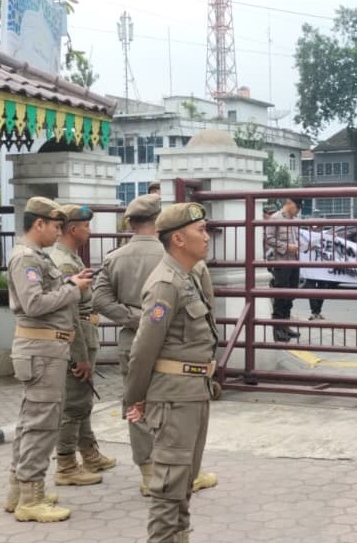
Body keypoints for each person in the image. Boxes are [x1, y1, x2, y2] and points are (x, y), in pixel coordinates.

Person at [93, 194, 218, 496]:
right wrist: (148, 321)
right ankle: (172, 475)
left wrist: (133, 318)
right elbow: (207, 307)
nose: (204, 236)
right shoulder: (181, 261)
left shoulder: (114, 257)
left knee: (138, 409)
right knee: (169, 419)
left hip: (131, 343)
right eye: (200, 229)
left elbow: (99, 299)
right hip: (174, 359)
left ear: (131, 222)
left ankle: (149, 470)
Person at [124, 203, 221, 543]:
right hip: (174, 398)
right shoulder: (166, 283)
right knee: (168, 489)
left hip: (193, 393)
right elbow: (143, 349)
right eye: (201, 231)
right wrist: (135, 399)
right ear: (178, 239)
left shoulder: (189, 276)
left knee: (183, 484)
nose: (206, 237)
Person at [3, 196, 89, 522]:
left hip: (45, 351)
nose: (58, 232)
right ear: (38, 224)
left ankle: (19, 490)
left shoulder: (36, 257)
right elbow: (34, 304)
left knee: (31, 423)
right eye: (55, 226)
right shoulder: (26, 259)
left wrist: (68, 283)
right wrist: (74, 290)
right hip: (41, 351)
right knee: (42, 425)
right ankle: (31, 498)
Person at [47, 204, 116, 486]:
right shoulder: (63, 262)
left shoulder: (70, 258)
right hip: (77, 341)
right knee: (74, 403)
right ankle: (65, 465)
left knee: (83, 400)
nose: (90, 230)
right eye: (86, 226)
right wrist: (79, 357)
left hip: (85, 335)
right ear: (73, 229)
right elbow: (69, 315)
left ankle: (89, 453)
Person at [264, 198, 302, 341]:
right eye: (297, 207)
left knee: (291, 294)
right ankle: (277, 328)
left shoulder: (295, 220)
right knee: (281, 295)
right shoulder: (276, 218)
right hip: (281, 261)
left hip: (294, 261)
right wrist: (286, 247)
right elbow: (269, 238)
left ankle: (285, 325)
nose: (297, 211)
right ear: (290, 204)